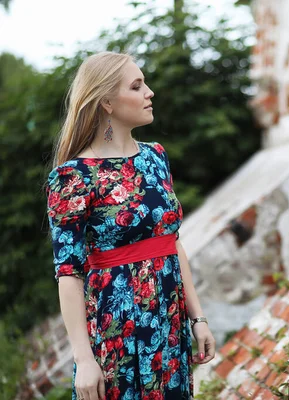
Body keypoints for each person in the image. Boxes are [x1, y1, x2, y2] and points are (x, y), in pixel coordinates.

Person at [45, 51, 216, 400]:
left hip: (169, 324)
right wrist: (84, 358)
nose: (149, 92)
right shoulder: (73, 177)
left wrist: (198, 319)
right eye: (137, 86)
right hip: (116, 330)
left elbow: (172, 242)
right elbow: (68, 273)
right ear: (106, 102)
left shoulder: (155, 156)